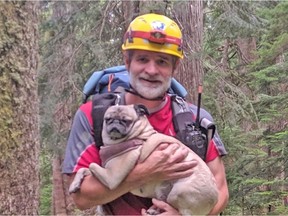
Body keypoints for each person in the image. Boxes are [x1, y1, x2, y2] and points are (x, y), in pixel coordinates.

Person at [62, 13, 229, 215]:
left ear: (174, 67)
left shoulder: (196, 120)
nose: (151, 70)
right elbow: (81, 197)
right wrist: (145, 172)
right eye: (142, 59)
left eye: (162, 61)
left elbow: (220, 191)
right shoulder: (93, 115)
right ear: (127, 61)